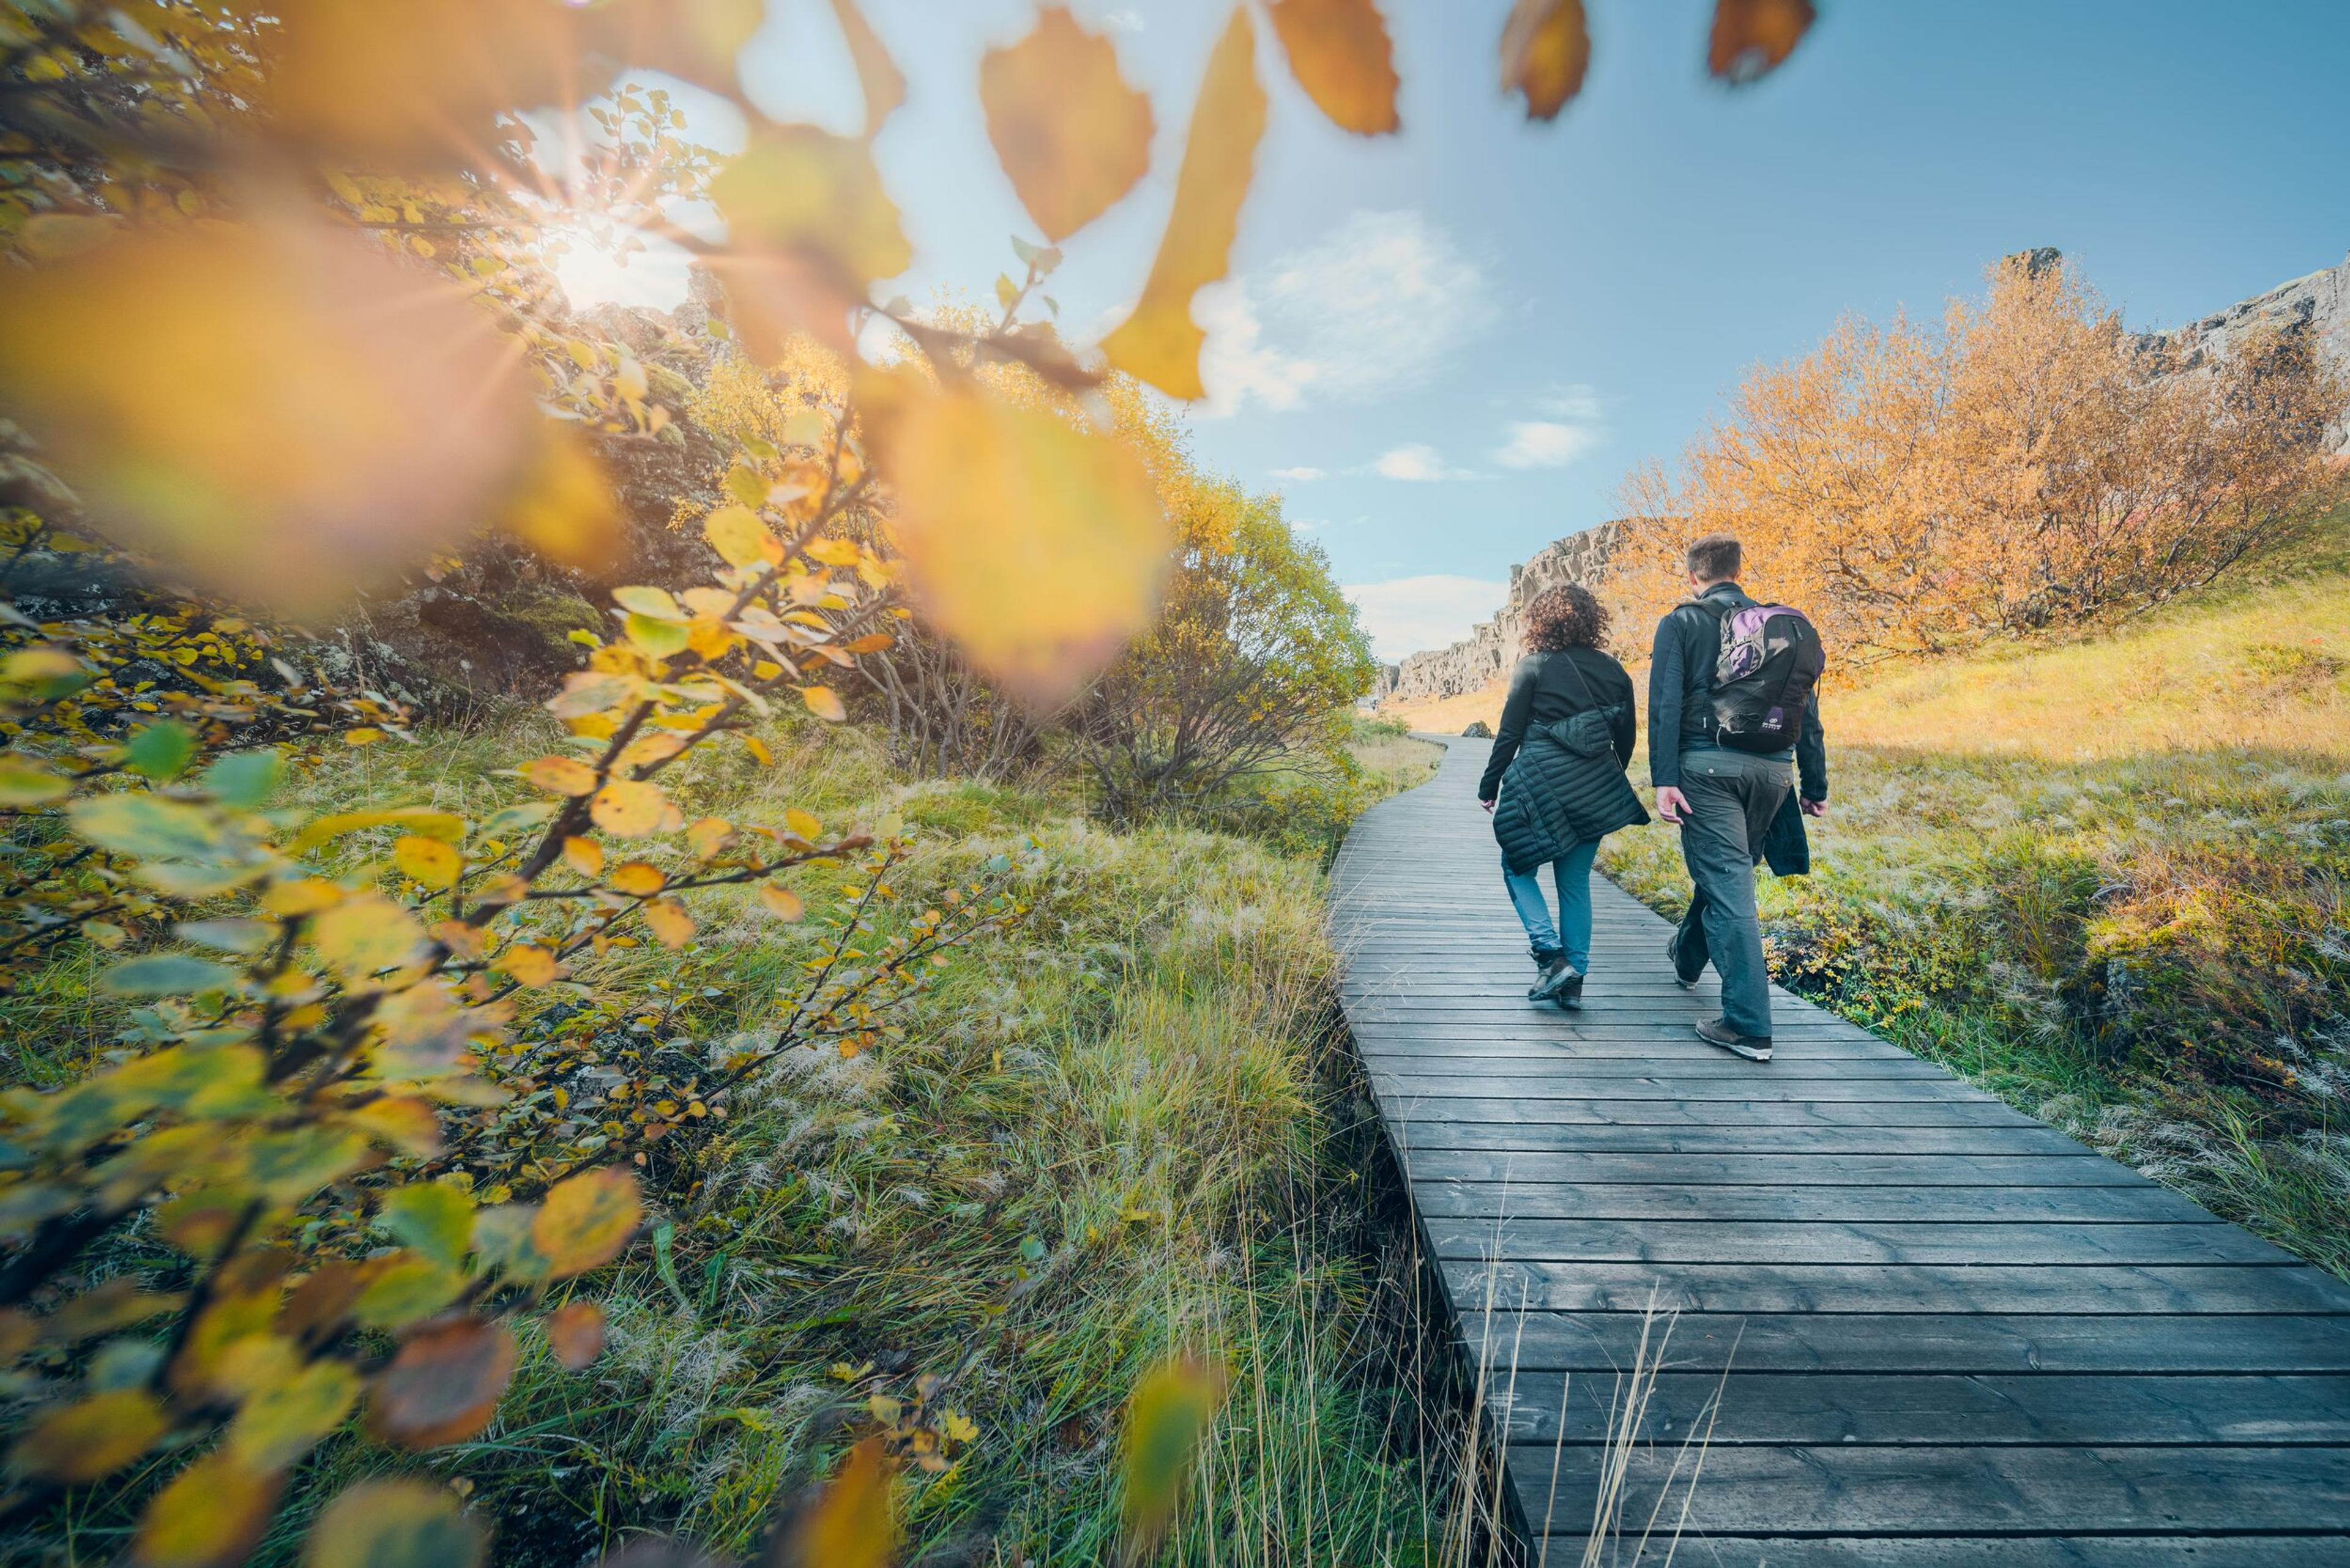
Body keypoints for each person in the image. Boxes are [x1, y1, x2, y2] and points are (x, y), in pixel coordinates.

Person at [1649, 532, 1827, 1061]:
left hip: (1706, 769)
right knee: (1725, 873)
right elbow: (1808, 711)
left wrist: (1664, 778)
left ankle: (1749, 1027)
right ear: (1738, 569)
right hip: (1774, 772)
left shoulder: (1682, 622)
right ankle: (1686, 958)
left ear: (1693, 576)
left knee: (1728, 886)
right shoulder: (1777, 625)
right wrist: (1813, 785)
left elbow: (1664, 703)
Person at [1478, 583, 1647, 1007]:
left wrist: (1489, 785)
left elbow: (1510, 734)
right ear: (1592, 620)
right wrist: (1602, 783)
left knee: (1517, 868)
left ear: (1541, 620)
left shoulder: (1534, 666)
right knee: (1574, 885)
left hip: (1539, 788)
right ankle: (1574, 985)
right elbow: (1625, 738)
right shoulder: (1614, 670)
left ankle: (1551, 957)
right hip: (1593, 791)